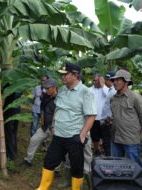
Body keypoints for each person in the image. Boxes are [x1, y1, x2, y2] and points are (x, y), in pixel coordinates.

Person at [36, 62, 96, 190]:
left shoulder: (85, 92)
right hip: (58, 135)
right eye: (61, 74)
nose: (62, 77)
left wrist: (82, 135)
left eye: (65, 74)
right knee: (49, 161)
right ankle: (43, 187)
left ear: (75, 75)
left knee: (77, 167)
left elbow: (91, 116)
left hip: (74, 136)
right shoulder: (62, 90)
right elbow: (58, 110)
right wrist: (53, 126)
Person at [110, 69, 142, 167]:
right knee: (116, 166)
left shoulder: (135, 97)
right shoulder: (113, 98)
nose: (115, 82)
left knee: (134, 167)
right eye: (113, 80)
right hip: (115, 139)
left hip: (131, 139)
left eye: (118, 80)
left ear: (126, 82)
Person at [24, 79, 57, 167]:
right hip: (45, 126)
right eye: (45, 88)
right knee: (34, 140)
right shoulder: (45, 96)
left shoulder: (60, 99)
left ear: (54, 87)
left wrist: (54, 126)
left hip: (56, 127)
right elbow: (42, 108)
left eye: (48, 88)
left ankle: (56, 169)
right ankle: (28, 160)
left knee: (57, 148)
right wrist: (42, 118)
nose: (46, 90)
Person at [89, 74, 109, 156]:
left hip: (104, 118)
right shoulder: (89, 90)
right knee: (95, 136)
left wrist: (103, 85)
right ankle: (97, 150)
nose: (95, 82)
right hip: (93, 117)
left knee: (105, 136)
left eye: (97, 80)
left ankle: (106, 151)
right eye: (94, 80)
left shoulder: (106, 89)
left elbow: (109, 95)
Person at [100, 71, 116, 156]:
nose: (106, 81)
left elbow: (115, 107)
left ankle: (110, 163)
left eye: (107, 79)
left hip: (108, 123)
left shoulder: (114, 91)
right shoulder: (111, 90)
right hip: (107, 122)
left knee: (108, 145)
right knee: (107, 144)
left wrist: (109, 118)